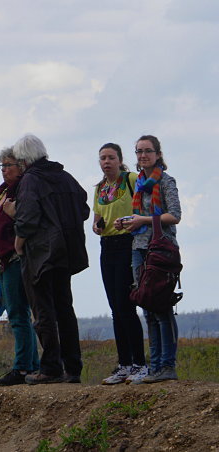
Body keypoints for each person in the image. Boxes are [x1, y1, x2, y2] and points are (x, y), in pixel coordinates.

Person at [12, 134, 89, 385]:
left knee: (43, 310)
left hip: (41, 254)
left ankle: (50, 368)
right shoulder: (65, 177)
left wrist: (19, 242)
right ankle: (73, 368)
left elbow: (27, 218)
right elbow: (84, 208)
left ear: (24, 159)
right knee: (65, 309)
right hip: (67, 251)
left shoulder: (31, 180)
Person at [116, 135, 181, 384]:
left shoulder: (165, 181)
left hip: (161, 251)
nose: (143, 156)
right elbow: (140, 216)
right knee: (147, 308)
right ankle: (154, 367)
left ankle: (167, 366)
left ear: (158, 154)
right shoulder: (140, 182)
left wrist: (142, 220)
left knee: (162, 309)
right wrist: (126, 222)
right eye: (139, 152)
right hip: (139, 248)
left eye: (147, 151)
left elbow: (175, 215)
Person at [0, 148, 40, 386]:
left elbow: (27, 220)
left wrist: (10, 224)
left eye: (9, 165)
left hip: (15, 257)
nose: (5, 170)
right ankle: (31, 364)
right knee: (18, 313)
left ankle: (23, 367)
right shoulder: (1, 192)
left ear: (22, 166)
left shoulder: (22, 190)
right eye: (2, 166)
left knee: (18, 313)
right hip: (0, 258)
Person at [92, 143, 147, 385]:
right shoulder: (100, 188)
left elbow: (146, 208)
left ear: (119, 159)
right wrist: (97, 227)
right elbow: (96, 221)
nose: (106, 162)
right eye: (102, 158)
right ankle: (124, 364)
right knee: (115, 307)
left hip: (128, 243)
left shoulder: (131, 179)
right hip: (107, 247)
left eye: (111, 157)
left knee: (126, 305)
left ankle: (140, 363)